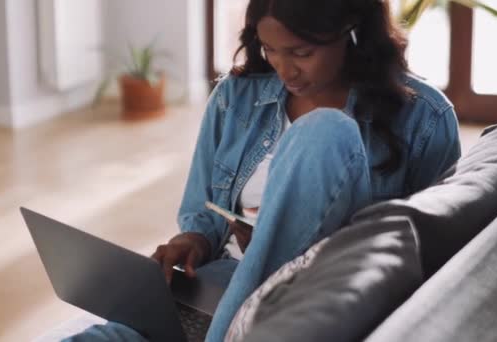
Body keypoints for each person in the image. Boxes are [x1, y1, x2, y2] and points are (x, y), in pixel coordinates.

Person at [64, 0, 461, 341]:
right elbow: (203, 213)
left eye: (302, 53)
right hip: (230, 277)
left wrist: (287, 245)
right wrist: (197, 240)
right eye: (271, 49)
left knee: (325, 132)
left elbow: (425, 252)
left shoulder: (423, 116)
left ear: (351, 30)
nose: (285, 70)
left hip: (325, 293)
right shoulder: (236, 97)